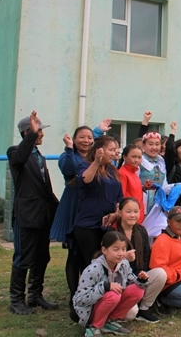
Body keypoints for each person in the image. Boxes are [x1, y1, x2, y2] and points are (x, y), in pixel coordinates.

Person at [50, 124, 106, 319]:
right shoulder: (69, 156)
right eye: (82, 137)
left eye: (90, 138)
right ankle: (74, 297)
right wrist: (67, 148)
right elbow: (68, 168)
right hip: (73, 204)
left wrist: (99, 131)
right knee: (74, 253)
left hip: (89, 207)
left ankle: (86, 293)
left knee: (87, 254)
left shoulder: (92, 157)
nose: (87, 141)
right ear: (74, 140)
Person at [7, 111, 60, 315]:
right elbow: (20, 157)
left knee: (41, 257)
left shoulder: (40, 157)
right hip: (26, 216)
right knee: (23, 258)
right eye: (39, 131)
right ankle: (16, 300)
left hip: (43, 216)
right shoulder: (15, 153)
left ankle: (35, 295)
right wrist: (30, 135)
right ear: (27, 132)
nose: (42, 135)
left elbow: (45, 189)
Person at [73, 231, 149, 336]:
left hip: (112, 302)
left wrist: (141, 280)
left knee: (138, 290)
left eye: (123, 249)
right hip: (90, 309)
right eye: (115, 249)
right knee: (113, 294)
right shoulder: (93, 269)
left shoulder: (124, 264)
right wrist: (105, 287)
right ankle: (94, 326)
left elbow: (131, 281)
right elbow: (79, 300)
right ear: (104, 250)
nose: (121, 253)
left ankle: (111, 321)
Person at [109, 198, 167, 323]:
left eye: (136, 211)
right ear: (119, 212)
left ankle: (144, 308)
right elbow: (106, 260)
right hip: (118, 281)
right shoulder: (112, 232)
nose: (132, 215)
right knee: (130, 314)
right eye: (128, 211)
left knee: (160, 274)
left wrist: (142, 274)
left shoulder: (141, 231)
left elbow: (146, 256)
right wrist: (124, 257)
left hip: (137, 276)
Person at [73, 136, 123, 269]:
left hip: (106, 224)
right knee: (91, 262)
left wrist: (116, 214)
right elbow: (85, 180)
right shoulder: (85, 165)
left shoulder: (112, 170)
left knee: (105, 262)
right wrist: (96, 162)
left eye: (115, 150)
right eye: (110, 150)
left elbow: (119, 196)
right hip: (88, 224)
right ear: (98, 150)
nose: (113, 153)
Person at [118, 144, 145, 224]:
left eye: (139, 157)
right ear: (124, 157)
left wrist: (144, 187)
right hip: (128, 218)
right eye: (133, 157)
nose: (136, 160)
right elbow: (120, 196)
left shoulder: (134, 173)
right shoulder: (122, 173)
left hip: (137, 217)